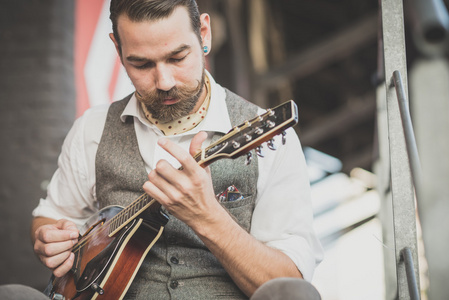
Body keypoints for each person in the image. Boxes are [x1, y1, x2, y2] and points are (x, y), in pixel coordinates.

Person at [30, 0, 323, 299]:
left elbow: (288, 287)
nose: (165, 82)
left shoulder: (276, 142)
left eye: (178, 57)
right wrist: (50, 238)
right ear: (117, 49)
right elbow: (51, 216)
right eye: (142, 64)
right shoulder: (91, 129)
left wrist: (208, 218)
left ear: (204, 34)